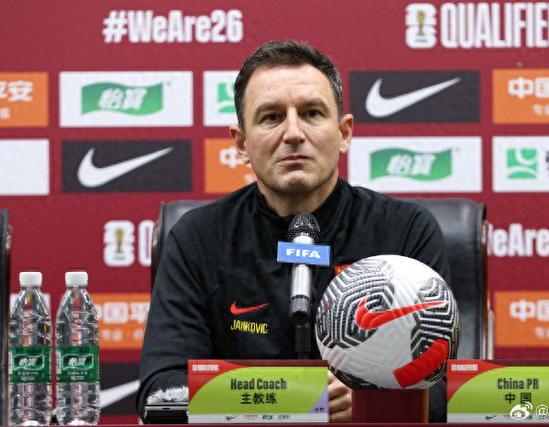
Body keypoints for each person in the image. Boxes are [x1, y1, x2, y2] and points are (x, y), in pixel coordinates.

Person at [137, 40, 451, 422]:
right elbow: (161, 396)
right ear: (241, 144)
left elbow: (446, 388)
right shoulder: (197, 238)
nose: (293, 133)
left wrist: (369, 403)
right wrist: (297, 399)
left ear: (344, 133)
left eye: (311, 113)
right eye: (271, 117)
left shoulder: (406, 231)